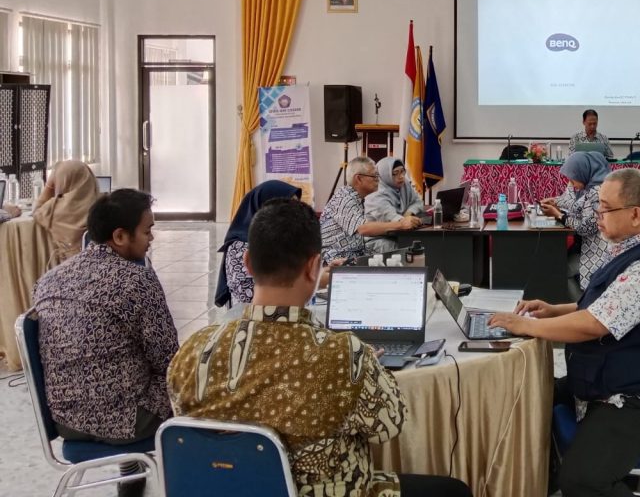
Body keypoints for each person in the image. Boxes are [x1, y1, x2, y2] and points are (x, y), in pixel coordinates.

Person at [167, 200, 472, 497]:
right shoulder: (343, 355)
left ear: (247, 263)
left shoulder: (193, 351)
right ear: (314, 267)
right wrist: (366, 364)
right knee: (452, 491)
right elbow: (390, 425)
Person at [490, 169, 640, 497]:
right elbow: (602, 306)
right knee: (525, 396)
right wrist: (554, 309)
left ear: (635, 215)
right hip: (610, 378)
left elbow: (594, 324)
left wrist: (527, 326)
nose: (597, 215)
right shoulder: (627, 248)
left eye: (605, 208)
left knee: (582, 481)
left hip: (637, 398)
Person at [33, 189, 175, 497]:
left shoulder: (48, 280)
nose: (152, 238)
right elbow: (168, 359)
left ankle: (130, 469)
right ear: (120, 236)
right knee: (189, 384)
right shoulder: (138, 281)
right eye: (147, 231)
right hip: (130, 423)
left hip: (66, 421)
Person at [214, 179, 303, 307]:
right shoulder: (240, 247)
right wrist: (309, 282)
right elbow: (248, 296)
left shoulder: (279, 238)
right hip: (249, 316)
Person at [319, 155, 420, 262]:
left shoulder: (357, 198)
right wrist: (402, 224)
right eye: (374, 176)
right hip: (337, 261)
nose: (378, 179)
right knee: (404, 254)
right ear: (359, 179)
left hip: (356, 254)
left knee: (402, 250)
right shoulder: (344, 199)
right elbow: (364, 229)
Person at [540, 151, 609, 297]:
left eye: (573, 179)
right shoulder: (591, 187)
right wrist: (556, 202)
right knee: (558, 260)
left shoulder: (596, 193)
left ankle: (582, 305)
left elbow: (585, 228)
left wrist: (559, 215)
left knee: (561, 269)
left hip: (598, 252)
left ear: (583, 173)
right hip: (585, 246)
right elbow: (576, 205)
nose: (571, 183)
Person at [33, 159, 100, 264]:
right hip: (101, 263)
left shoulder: (56, 208)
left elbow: (36, 210)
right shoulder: (102, 203)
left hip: (71, 266)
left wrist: (49, 185)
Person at [364, 156, 425, 251]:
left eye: (402, 171)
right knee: (410, 250)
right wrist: (405, 220)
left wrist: (409, 213)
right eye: (395, 173)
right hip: (379, 239)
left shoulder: (404, 184)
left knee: (422, 245)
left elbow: (418, 202)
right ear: (385, 175)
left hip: (399, 234)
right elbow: (390, 218)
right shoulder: (375, 193)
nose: (401, 176)